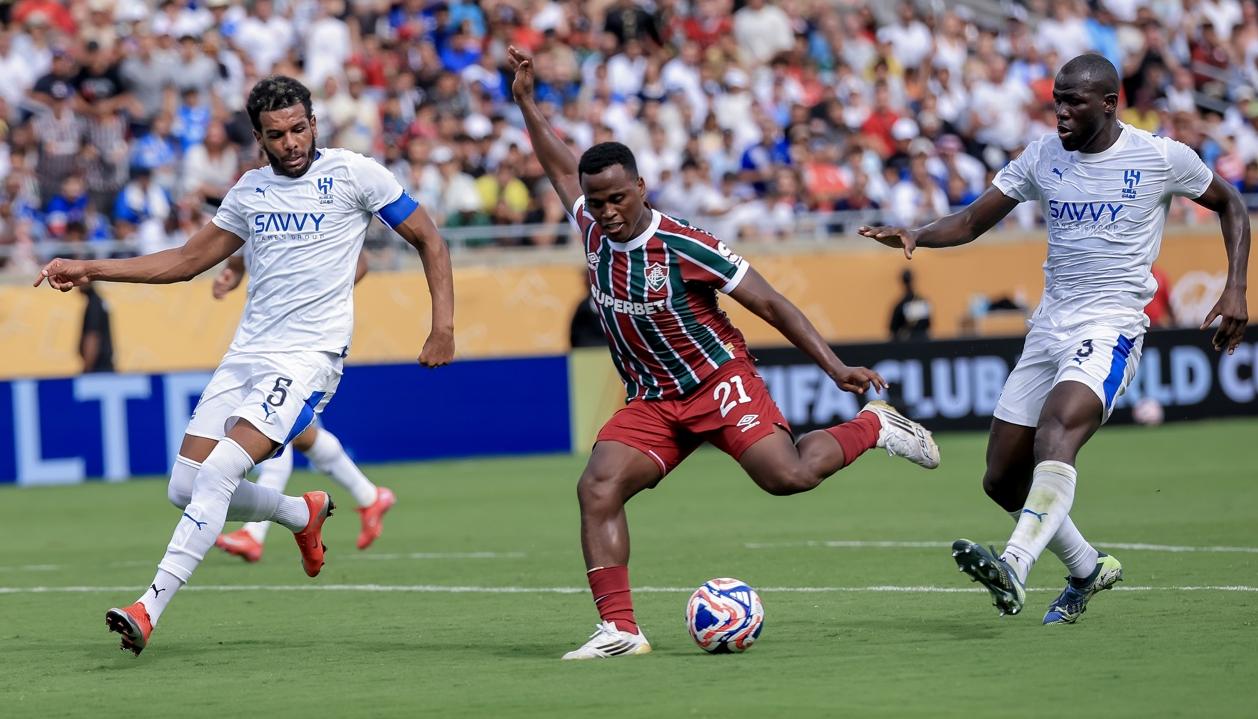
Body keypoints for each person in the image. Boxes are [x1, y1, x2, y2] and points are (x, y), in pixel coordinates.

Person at [509, 46, 940, 661]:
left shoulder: (687, 245)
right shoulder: (589, 223)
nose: (605, 212)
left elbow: (774, 305)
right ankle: (621, 632)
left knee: (786, 477)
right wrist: (526, 100)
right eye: (595, 202)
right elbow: (557, 163)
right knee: (597, 487)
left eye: (616, 200)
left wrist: (837, 367)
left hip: (717, 380)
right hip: (655, 400)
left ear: (640, 187)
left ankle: (872, 428)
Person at [34, 75, 455, 655]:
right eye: (276, 134)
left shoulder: (357, 175)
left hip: (310, 358)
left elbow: (430, 239)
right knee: (184, 486)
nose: (290, 143)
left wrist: (443, 327)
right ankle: (297, 511)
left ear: (314, 123)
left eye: (299, 128)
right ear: (259, 138)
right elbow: (185, 261)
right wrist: (92, 267)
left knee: (218, 472)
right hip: (246, 356)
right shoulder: (249, 192)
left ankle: (148, 606)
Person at [859, 54, 1249, 624]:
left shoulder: (1160, 156)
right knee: (1000, 478)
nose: (1061, 112)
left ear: (1110, 103)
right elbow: (971, 222)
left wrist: (1236, 287)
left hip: (1111, 324)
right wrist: (917, 233)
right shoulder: (1042, 155)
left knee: (1056, 431)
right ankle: (1088, 568)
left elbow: (1231, 204)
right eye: (1056, 101)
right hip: (1049, 326)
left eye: (1073, 102)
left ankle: (1013, 567)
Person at [209, 252, 397, 561]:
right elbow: (249, 242)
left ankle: (253, 534)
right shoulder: (261, 208)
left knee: (270, 424)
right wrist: (232, 271)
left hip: (305, 343)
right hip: (268, 338)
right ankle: (370, 495)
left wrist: (319, 298)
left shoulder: (318, 213)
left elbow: (360, 261)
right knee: (298, 433)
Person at [888, 269, 931, 341]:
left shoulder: (900, 305)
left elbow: (893, 329)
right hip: (922, 343)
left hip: (908, 346)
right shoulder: (922, 302)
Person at [79, 283, 113, 372]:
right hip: (106, 366)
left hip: (98, 368)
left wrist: (87, 368)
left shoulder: (93, 304)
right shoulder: (100, 301)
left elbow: (92, 337)